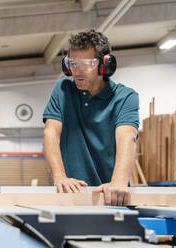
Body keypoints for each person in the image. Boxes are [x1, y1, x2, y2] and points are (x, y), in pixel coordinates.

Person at [42, 29, 139, 206]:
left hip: (112, 198)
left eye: (86, 64)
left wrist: (118, 182)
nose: (77, 71)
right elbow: (51, 133)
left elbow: (127, 136)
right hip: (72, 197)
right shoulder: (63, 90)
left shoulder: (125, 97)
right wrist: (60, 177)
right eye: (73, 63)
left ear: (105, 65)